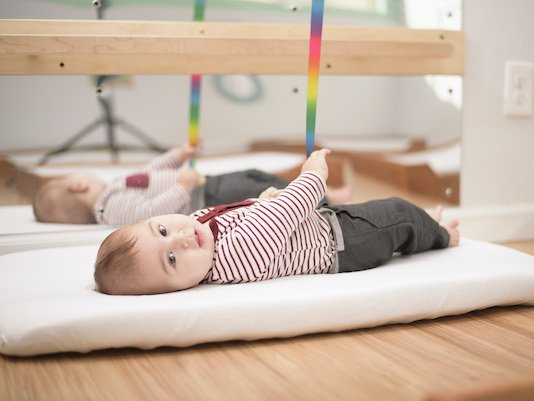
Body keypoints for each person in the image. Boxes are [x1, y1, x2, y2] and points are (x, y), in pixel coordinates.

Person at [94, 148, 460, 295]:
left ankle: (426, 224)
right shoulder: (231, 258)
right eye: (171, 260)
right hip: (343, 243)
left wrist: (259, 201)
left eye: (161, 229)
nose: (180, 239)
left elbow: (247, 215)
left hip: (326, 224)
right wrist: (313, 175)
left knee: (393, 213)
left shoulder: (194, 226)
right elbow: (284, 215)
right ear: (178, 289)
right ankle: (441, 235)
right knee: (395, 216)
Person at [33, 143, 351, 225]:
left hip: (204, 183)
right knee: (262, 190)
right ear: (77, 186)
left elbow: (150, 169)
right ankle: (319, 198)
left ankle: (322, 189)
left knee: (255, 174)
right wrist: (182, 188)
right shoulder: (113, 208)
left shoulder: (113, 188)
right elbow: (150, 212)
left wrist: (176, 155)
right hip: (201, 195)